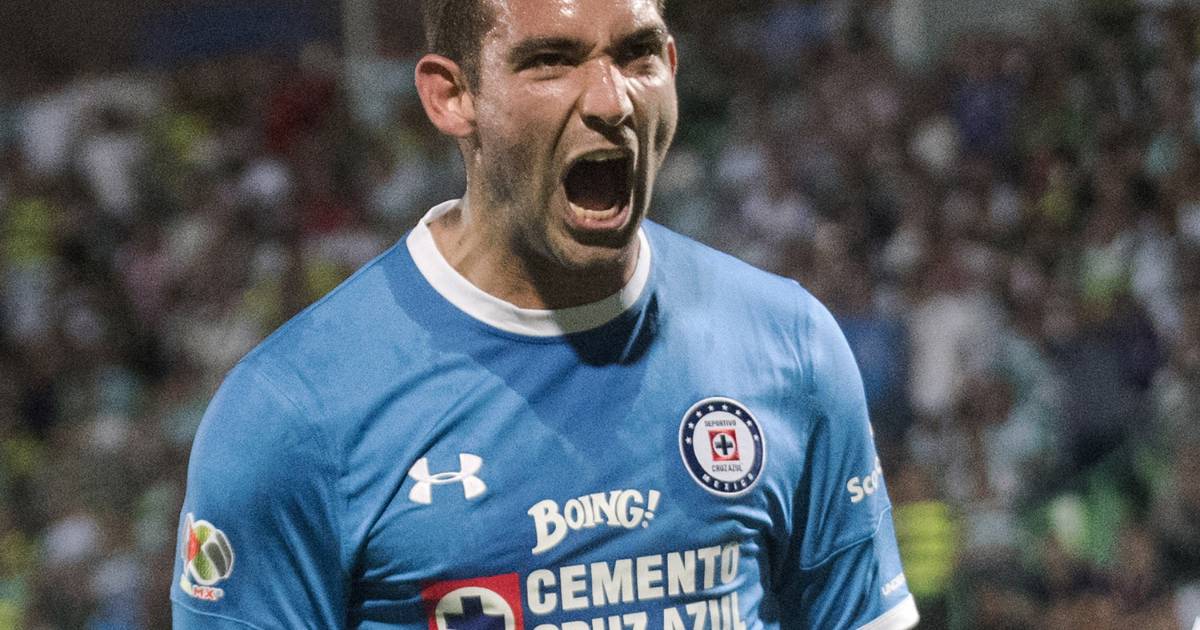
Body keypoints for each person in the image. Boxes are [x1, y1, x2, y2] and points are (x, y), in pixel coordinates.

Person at [170, 0, 919, 628]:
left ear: (672, 64)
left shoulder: (789, 345)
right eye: (551, 62)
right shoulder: (293, 413)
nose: (611, 101)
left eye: (637, 54)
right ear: (451, 97)